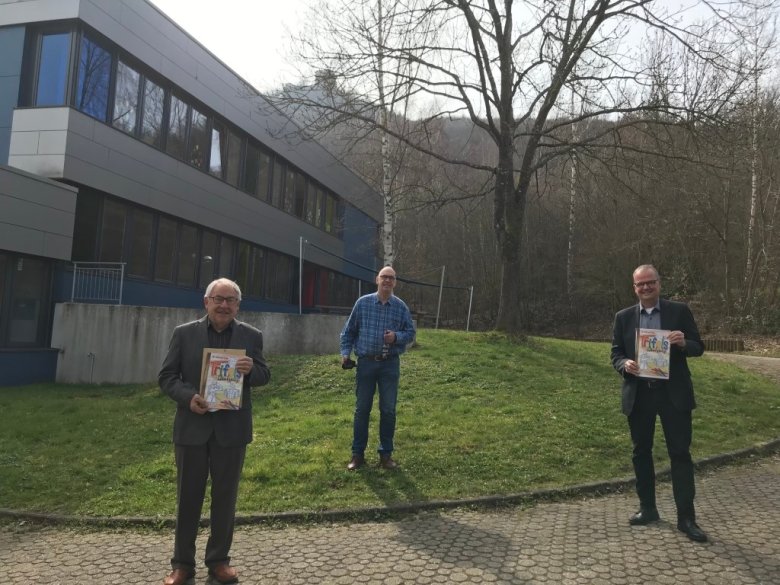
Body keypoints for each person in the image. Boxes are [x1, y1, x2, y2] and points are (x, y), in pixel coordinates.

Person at [159, 278, 271, 585]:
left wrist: (251, 371)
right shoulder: (184, 334)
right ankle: (182, 565)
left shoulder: (251, 335)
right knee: (188, 499)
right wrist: (187, 397)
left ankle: (219, 561)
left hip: (231, 432)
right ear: (206, 302)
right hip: (192, 428)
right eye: (218, 299)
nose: (224, 305)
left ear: (238, 305)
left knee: (225, 499)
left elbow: (264, 375)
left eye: (230, 300)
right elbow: (167, 377)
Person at [611, 264, 707, 542]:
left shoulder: (679, 311)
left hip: (673, 396)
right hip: (639, 395)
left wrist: (682, 343)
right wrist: (624, 363)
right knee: (641, 452)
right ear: (634, 288)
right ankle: (648, 509)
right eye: (640, 284)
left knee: (680, 454)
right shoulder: (624, 317)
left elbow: (698, 346)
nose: (646, 288)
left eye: (650, 282)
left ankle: (686, 519)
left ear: (659, 284)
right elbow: (615, 352)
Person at [340, 265, 416, 470]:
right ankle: (357, 455)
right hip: (365, 363)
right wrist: (345, 354)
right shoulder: (363, 304)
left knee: (388, 410)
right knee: (362, 409)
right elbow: (348, 332)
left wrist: (396, 338)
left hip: (389, 365)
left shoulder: (400, 307)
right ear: (377, 279)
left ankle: (386, 455)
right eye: (384, 277)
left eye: (391, 278)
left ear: (395, 282)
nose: (387, 281)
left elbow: (411, 333)